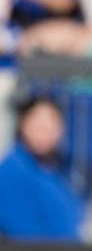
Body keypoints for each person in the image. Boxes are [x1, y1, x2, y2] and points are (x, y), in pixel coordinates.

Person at [0, 97, 83, 242]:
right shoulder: (11, 172)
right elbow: (20, 232)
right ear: (23, 125)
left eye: (52, 126)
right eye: (39, 126)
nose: (45, 133)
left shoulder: (60, 169)